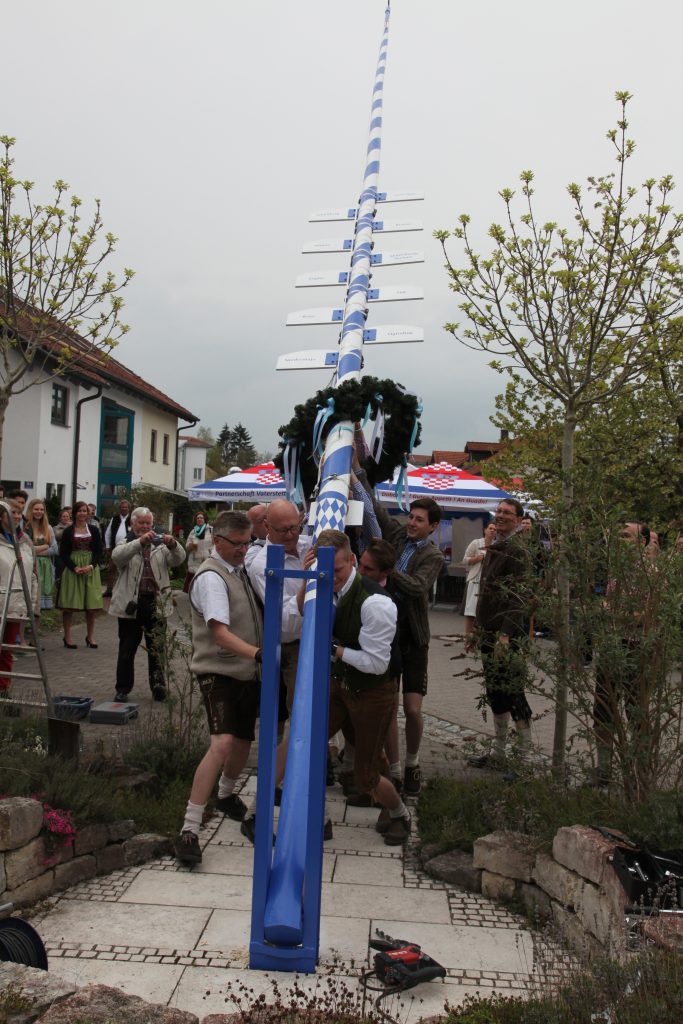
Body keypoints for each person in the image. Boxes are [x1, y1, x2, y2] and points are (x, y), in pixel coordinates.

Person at [298, 530, 410, 844]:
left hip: (373, 691)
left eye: (336, 571)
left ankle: (400, 813)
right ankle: (311, 818)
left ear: (352, 561)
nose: (329, 578)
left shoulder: (376, 604)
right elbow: (302, 612)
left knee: (366, 775)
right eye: (324, 571)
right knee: (304, 742)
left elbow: (377, 664)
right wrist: (309, 578)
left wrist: (334, 650)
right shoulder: (325, 581)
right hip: (341, 683)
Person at [175, 510, 263, 865]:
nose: (244, 550)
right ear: (218, 541)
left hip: (244, 671)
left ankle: (225, 794)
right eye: (238, 544)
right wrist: (260, 654)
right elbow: (220, 635)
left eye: (248, 543)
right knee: (223, 742)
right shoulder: (211, 578)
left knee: (243, 738)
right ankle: (189, 827)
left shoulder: (237, 570)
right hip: (218, 670)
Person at [356, 454, 443, 796]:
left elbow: (420, 587)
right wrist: (358, 475)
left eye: (420, 520)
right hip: (389, 634)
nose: (412, 523)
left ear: (433, 526)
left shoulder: (433, 555)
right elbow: (377, 510)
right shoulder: (398, 537)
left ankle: (413, 761)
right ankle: (393, 768)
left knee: (412, 708)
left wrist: (389, 572)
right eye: (411, 517)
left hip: (415, 638)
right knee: (389, 706)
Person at [470, 498, 533, 771]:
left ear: (520, 520)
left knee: (512, 692)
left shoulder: (518, 550)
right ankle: (499, 753)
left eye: (508, 513)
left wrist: (505, 635)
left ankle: (522, 759)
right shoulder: (497, 545)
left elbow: (518, 599)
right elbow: (485, 593)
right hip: (489, 631)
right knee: (496, 693)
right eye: (498, 511)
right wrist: (477, 629)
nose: (501, 515)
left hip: (505, 636)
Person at [109, 506, 186, 702]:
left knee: (157, 648)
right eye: (141, 523)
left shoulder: (160, 543)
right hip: (131, 604)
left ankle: (158, 687)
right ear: (133, 523)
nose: (145, 527)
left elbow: (178, 560)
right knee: (127, 649)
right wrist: (139, 542)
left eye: (148, 523)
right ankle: (123, 689)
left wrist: (173, 544)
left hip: (156, 603)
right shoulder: (126, 541)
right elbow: (117, 557)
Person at [0, 501, 39, 694]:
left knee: (7, 650)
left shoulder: (25, 541)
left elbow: (32, 575)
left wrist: (31, 602)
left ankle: (4, 689)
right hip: (0, 600)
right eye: (12, 512)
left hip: (16, 604)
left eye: (18, 513)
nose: (16, 516)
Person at [57, 500, 104, 649]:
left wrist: (91, 566)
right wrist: (74, 567)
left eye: (85, 511)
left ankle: (90, 636)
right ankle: (68, 636)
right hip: (73, 567)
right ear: (74, 513)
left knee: (91, 605)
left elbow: (98, 551)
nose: (83, 514)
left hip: (90, 568)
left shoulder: (94, 530)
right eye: (80, 511)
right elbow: (63, 552)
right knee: (69, 605)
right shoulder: (68, 531)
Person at [462, 522, 497, 653]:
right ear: (485, 530)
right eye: (490, 528)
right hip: (475, 579)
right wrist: (478, 558)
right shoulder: (476, 543)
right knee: (471, 611)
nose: (493, 531)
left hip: (488, 583)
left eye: (495, 529)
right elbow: (465, 560)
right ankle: (468, 640)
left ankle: (479, 641)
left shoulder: (497, 546)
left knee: (483, 613)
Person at [25, 499, 58, 610]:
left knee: (43, 591)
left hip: (45, 566)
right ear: (31, 510)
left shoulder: (48, 528)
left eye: (41, 509)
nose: (39, 512)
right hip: (32, 564)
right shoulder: (26, 527)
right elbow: (26, 549)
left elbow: (55, 549)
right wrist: (45, 546)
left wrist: (36, 550)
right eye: (36, 509)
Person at [102, 500, 132, 597]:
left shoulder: (133, 519)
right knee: (111, 569)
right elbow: (108, 533)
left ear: (129, 508)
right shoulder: (114, 519)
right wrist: (107, 546)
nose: (124, 508)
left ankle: (126, 591)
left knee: (127, 570)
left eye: (125, 507)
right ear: (119, 508)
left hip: (129, 549)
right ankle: (109, 590)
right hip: (115, 549)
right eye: (122, 507)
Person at [183, 511, 214, 593]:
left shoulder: (211, 530)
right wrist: (190, 545)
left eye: (201, 518)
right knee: (193, 586)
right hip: (195, 561)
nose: (199, 519)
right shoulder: (193, 531)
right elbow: (187, 546)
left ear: (205, 519)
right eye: (198, 518)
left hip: (208, 560)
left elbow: (217, 543)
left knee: (207, 585)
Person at [244, 504, 269, 570]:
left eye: (269, 516)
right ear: (252, 530)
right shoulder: (252, 553)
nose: (268, 521)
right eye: (262, 520)